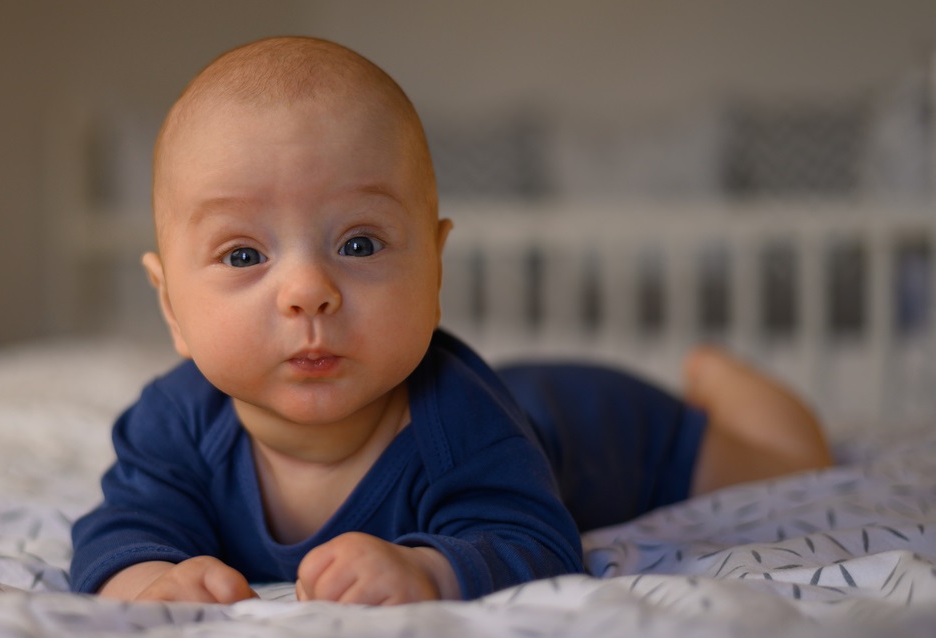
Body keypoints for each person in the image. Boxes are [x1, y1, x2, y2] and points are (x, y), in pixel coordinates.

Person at [69, 36, 833, 606]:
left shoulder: (462, 421)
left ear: (434, 273)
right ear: (170, 306)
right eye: (242, 256)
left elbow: (535, 541)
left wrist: (430, 569)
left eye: (358, 243)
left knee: (788, 459)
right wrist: (145, 577)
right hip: (531, 396)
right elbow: (120, 526)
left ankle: (716, 375)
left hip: (618, 429)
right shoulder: (172, 423)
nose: (307, 290)